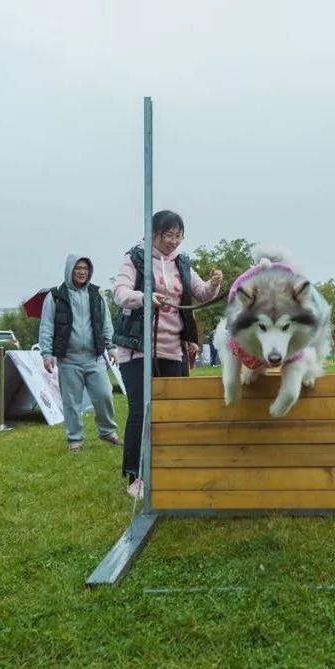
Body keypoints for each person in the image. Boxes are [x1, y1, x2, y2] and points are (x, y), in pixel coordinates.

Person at [113, 210, 222, 499]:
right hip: (137, 348)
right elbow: (120, 292)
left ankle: (172, 467)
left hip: (172, 348)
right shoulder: (135, 257)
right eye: (168, 235)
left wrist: (214, 284)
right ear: (154, 234)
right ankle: (136, 477)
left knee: (175, 410)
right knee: (142, 410)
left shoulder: (182, 263)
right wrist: (146, 298)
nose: (173, 241)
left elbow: (201, 293)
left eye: (178, 235)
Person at [38, 255, 121, 453]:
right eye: (78, 268)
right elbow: (46, 326)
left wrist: (111, 347)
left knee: (104, 394)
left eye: (85, 268)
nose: (82, 272)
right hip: (68, 359)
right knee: (71, 402)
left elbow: (106, 323)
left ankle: (107, 432)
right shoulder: (55, 296)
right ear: (69, 270)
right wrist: (46, 354)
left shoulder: (97, 294)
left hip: (94, 357)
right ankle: (75, 439)